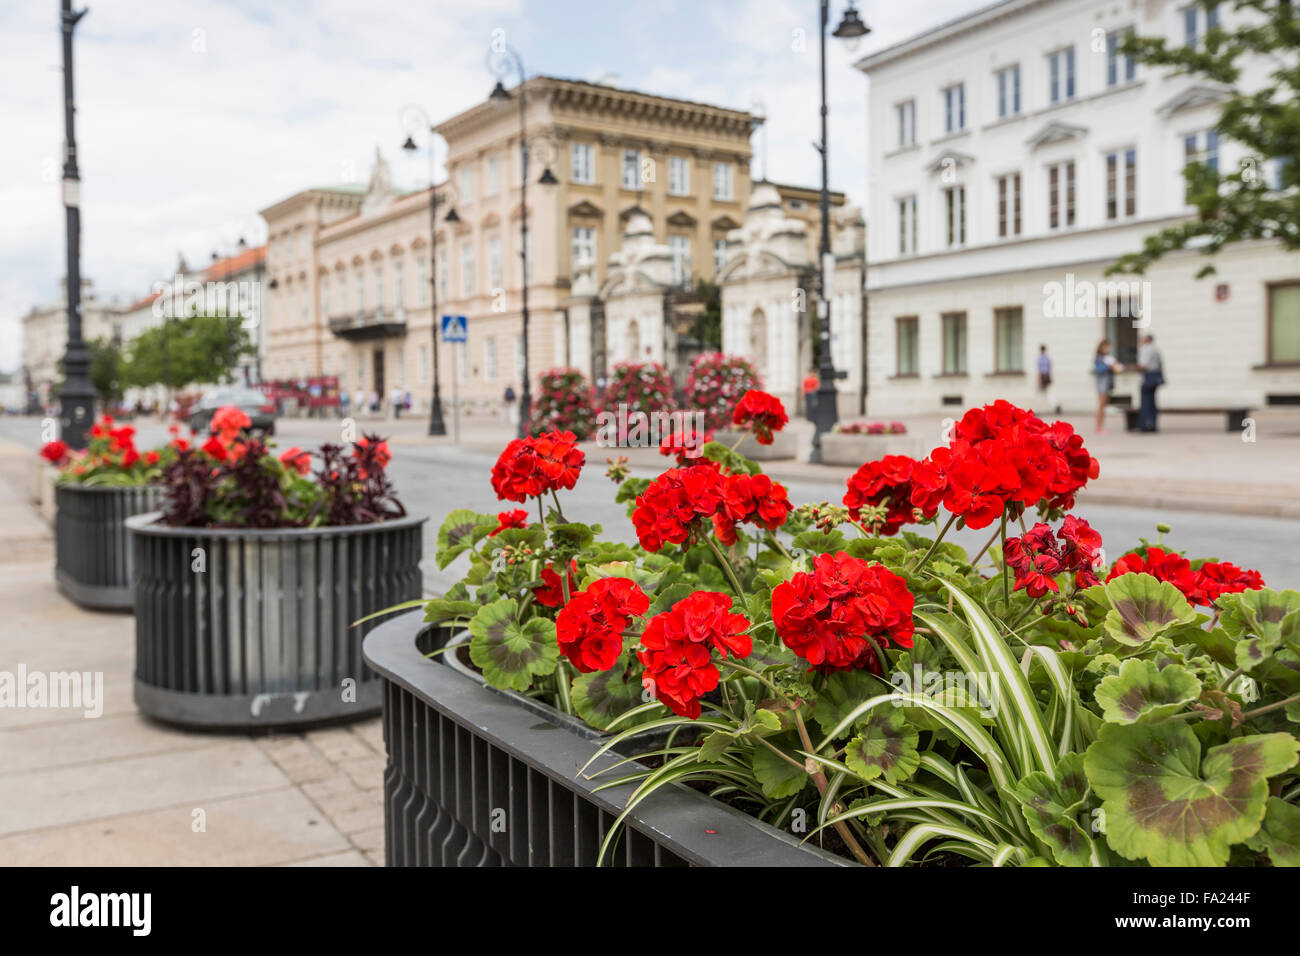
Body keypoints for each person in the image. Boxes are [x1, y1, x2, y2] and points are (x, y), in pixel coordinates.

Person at [1093, 339, 1123, 433]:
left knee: (1103, 405)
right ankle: (1098, 426)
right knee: (1101, 405)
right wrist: (1110, 366)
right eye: (1106, 347)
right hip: (1102, 384)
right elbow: (1099, 370)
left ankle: (1101, 426)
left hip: (1106, 384)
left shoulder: (1106, 358)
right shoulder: (1099, 358)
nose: (1108, 348)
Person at [1136, 334, 1164, 432]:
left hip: (1147, 377)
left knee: (1146, 402)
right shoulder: (1156, 350)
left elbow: (1144, 365)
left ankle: (1145, 425)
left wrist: (1135, 368)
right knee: (1152, 402)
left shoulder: (1146, 349)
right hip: (1155, 378)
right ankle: (1153, 424)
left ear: (1146, 340)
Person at [1036, 345, 1058, 414]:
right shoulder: (1048, 359)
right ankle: (1055, 404)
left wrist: (1038, 380)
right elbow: (1049, 369)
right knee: (1048, 393)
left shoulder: (1040, 359)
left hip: (1042, 377)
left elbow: (1039, 370)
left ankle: (1039, 409)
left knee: (1040, 393)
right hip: (1047, 377)